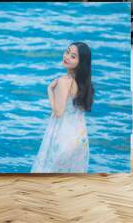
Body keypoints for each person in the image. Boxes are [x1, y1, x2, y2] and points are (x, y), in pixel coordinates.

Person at [31, 42, 94, 173]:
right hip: (79, 140)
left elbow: (58, 112)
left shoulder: (64, 82)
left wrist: (49, 89)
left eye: (73, 56)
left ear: (80, 62)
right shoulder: (84, 84)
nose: (66, 57)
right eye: (67, 52)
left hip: (62, 139)